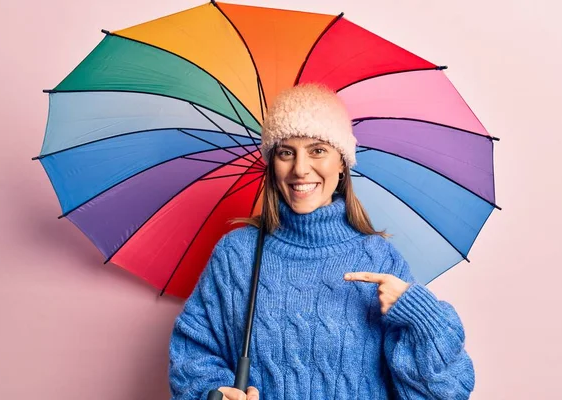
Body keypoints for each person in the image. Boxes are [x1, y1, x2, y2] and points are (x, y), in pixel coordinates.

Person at [168, 83, 475, 399]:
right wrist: (212, 393)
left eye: (317, 150)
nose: (300, 169)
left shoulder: (379, 259)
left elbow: (445, 393)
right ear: (272, 164)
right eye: (286, 152)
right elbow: (193, 356)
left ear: (342, 162)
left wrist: (420, 316)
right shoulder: (237, 255)